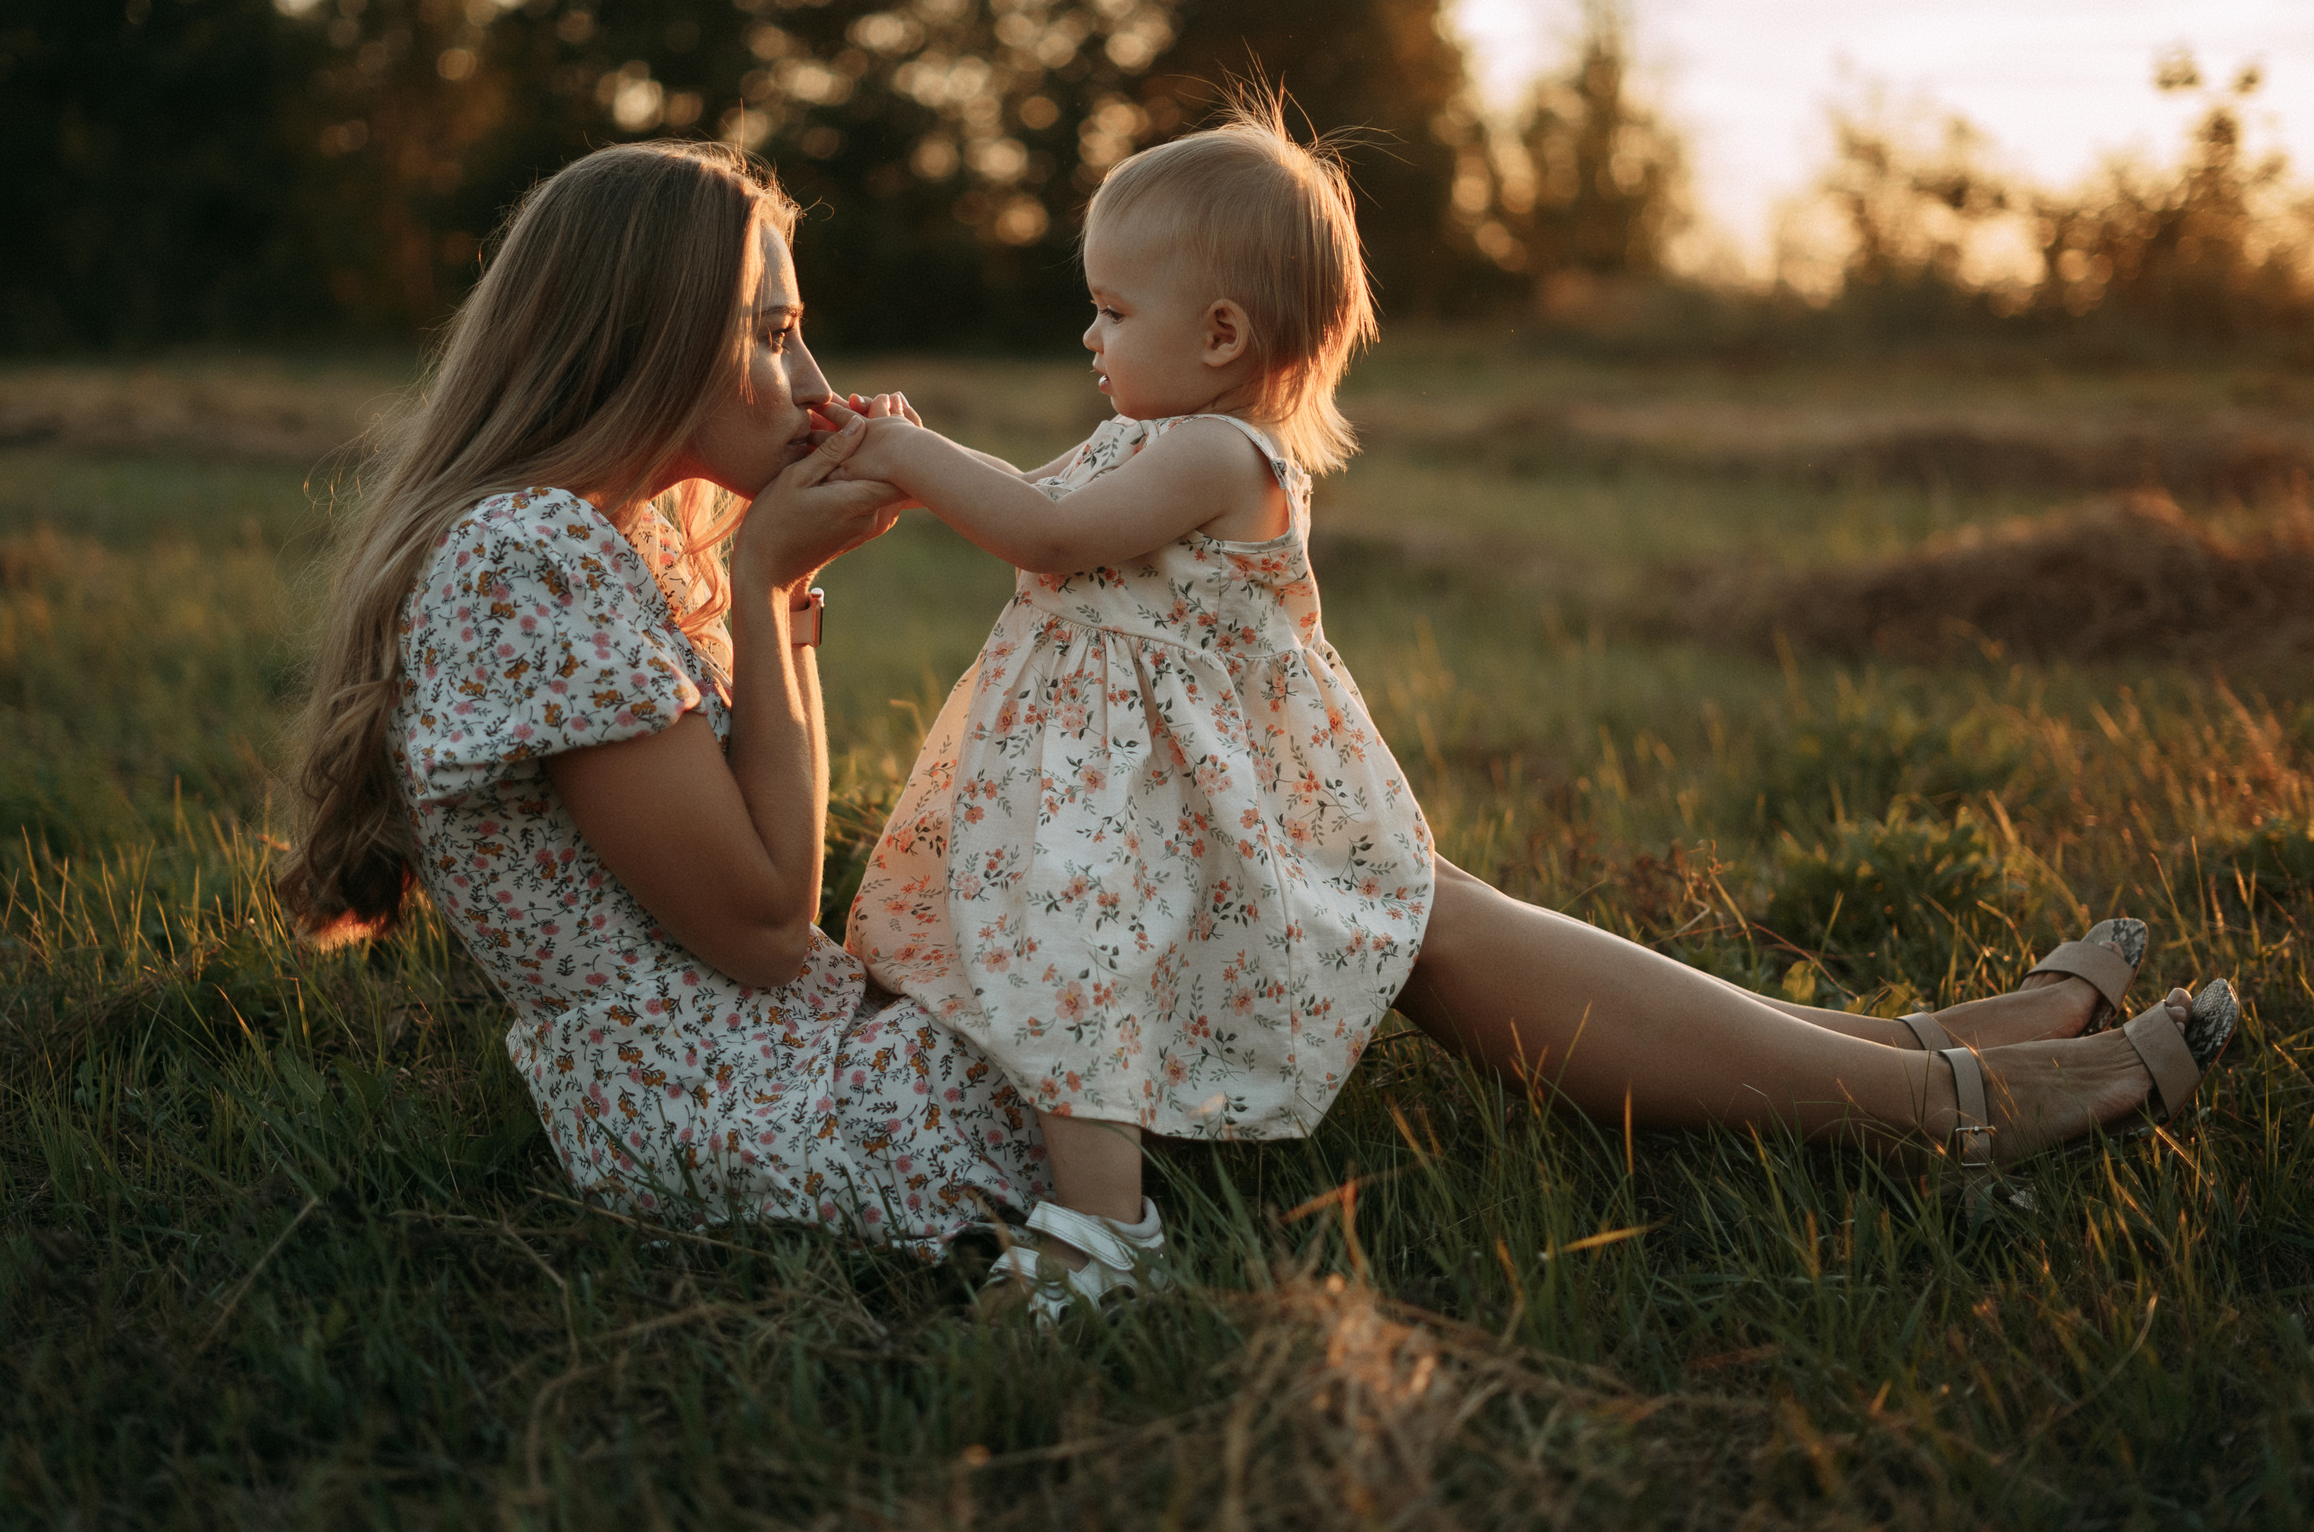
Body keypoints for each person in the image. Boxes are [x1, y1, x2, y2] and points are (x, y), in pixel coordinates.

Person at [275, 136, 2237, 1300]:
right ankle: (1941, 1101)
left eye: (795, 318)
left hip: (780, 1055)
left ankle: (1923, 1069)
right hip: (762, 1114)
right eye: (764, 321)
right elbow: (753, 922)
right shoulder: (534, 550)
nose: (803, 358)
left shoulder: (585, 537)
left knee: (1384, 890)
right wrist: (784, 600)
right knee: (1393, 906)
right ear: (630, 335)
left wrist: (766, 584)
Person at [822, 100, 2239, 1312]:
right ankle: (1935, 1059)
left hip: (1251, 800)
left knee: (1455, 948)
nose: (1086, 330)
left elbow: (1047, 536)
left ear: (1223, 334)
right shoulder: (1156, 426)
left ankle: (1953, 1105)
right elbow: (1058, 511)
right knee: (1462, 942)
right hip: (1218, 796)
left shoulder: (1212, 448)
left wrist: (900, 450)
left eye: (1112, 309)